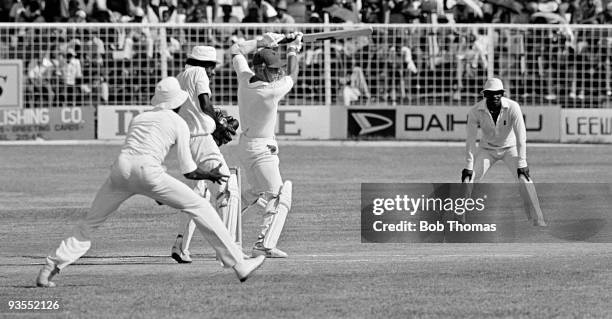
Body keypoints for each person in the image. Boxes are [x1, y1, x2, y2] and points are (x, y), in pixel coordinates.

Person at [36, 77, 264, 288]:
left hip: (120, 171)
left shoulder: (140, 117)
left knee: (90, 223)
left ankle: (51, 267)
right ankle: (238, 264)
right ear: (179, 102)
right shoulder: (179, 122)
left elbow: (135, 158)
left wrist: (155, 190)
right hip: (148, 173)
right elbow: (189, 171)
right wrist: (210, 175)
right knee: (201, 206)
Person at [229, 32, 302, 258]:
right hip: (262, 150)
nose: (277, 72)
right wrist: (293, 49)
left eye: (277, 68)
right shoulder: (269, 91)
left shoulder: (244, 77)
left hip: (246, 147)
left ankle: (219, 226)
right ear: (260, 68)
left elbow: (236, 50)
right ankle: (263, 244)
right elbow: (293, 74)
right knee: (279, 196)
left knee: (252, 193)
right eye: (272, 69)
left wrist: (263, 42)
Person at [169, 46, 238, 264]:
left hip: (187, 138)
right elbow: (204, 103)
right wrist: (218, 124)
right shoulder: (198, 73)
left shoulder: (180, 77)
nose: (213, 72)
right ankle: (227, 250)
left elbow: (190, 112)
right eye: (212, 67)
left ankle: (181, 245)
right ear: (204, 65)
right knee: (226, 187)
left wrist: (212, 124)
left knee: (200, 194)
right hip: (199, 138)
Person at [462, 78, 547, 227]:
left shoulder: (513, 107)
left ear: (502, 94)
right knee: (469, 180)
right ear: (485, 94)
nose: (495, 96)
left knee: (525, 180)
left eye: (498, 93)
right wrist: (469, 167)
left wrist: (522, 162)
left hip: (510, 148)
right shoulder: (475, 111)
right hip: (486, 149)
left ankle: (538, 220)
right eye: (491, 93)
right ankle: (459, 218)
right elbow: (470, 140)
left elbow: (521, 135)